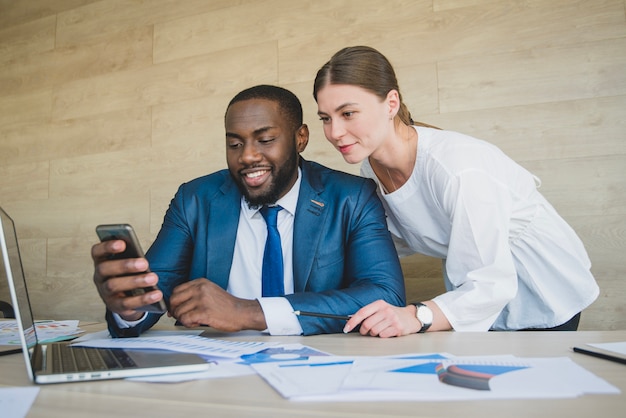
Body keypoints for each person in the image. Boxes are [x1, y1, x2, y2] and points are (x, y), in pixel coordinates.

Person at [313, 46, 599, 336]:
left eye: (348, 113)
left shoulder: (458, 169)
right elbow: (395, 241)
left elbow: (491, 283)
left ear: (391, 103)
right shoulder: (371, 170)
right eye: (325, 118)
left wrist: (416, 316)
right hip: (475, 298)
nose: (334, 132)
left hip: (541, 287)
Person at [91, 84, 406, 337]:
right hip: (219, 373)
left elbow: (385, 295)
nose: (247, 157)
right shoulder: (195, 200)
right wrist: (130, 308)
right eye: (235, 144)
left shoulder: (351, 197)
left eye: (265, 140)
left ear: (300, 138)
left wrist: (248, 311)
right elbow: (155, 289)